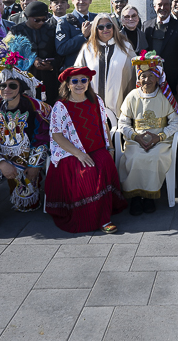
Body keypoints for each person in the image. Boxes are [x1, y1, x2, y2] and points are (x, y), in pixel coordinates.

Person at [0, 40, 51, 228]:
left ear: (21, 89)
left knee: (27, 204)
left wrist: (35, 165)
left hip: (27, 157)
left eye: (12, 86)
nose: (6, 89)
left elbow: (43, 138)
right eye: (2, 86)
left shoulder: (37, 108)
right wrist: (2, 163)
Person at [44, 67, 127, 233]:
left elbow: (104, 124)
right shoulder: (61, 106)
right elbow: (57, 136)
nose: (79, 84)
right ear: (67, 85)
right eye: (74, 81)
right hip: (71, 151)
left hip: (97, 148)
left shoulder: (96, 100)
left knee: (104, 163)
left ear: (88, 83)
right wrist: (79, 153)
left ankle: (103, 213)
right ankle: (98, 219)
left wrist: (110, 147)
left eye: (83, 80)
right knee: (87, 173)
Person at [116, 52, 178, 216]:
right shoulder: (132, 96)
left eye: (151, 76)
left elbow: (176, 122)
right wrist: (135, 137)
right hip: (136, 141)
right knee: (134, 157)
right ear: (138, 79)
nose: (147, 80)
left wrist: (158, 137)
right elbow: (123, 123)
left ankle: (149, 197)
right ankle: (136, 197)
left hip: (160, 141)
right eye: (143, 76)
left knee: (155, 156)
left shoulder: (164, 97)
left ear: (157, 78)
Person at [143, 0, 178, 112]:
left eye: (166, 4)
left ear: (170, 6)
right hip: (151, 81)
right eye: (159, 4)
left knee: (172, 113)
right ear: (154, 6)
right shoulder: (146, 26)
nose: (162, 7)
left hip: (173, 82)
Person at [79, 13, 137, 118]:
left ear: (113, 27)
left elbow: (135, 73)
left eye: (108, 26)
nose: (105, 29)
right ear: (95, 30)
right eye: (100, 27)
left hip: (120, 104)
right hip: (93, 105)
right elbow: (78, 73)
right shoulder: (88, 49)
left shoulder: (126, 47)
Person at [9, 0, 58, 92]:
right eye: (37, 20)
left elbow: (60, 53)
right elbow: (12, 55)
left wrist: (52, 66)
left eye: (44, 19)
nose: (41, 23)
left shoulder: (52, 29)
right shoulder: (16, 31)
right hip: (25, 78)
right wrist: (31, 61)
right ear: (28, 17)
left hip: (49, 77)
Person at [46, 0, 85, 68]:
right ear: (50, 7)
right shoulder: (46, 25)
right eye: (56, 2)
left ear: (68, 6)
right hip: (51, 67)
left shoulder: (76, 22)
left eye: (63, 2)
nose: (59, 4)